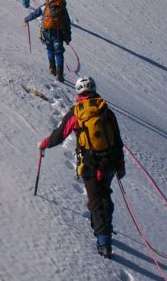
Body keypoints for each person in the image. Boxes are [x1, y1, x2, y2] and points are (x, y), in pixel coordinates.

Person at [38, 76, 125, 258]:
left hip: (90, 164)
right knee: (104, 193)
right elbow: (117, 140)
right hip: (109, 162)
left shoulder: (77, 112)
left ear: (78, 92)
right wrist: (120, 165)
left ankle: (103, 242)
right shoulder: (106, 111)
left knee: (95, 200)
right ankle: (102, 227)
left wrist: (44, 144)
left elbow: (60, 135)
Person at [25, 0, 71, 81]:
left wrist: (27, 19)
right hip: (58, 33)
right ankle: (60, 74)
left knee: (50, 49)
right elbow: (67, 23)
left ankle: (52, 69)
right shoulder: (62, 8)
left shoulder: (45, 6)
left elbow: (35, 13)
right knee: (59, 53)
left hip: (46, 32)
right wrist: (67, 37)